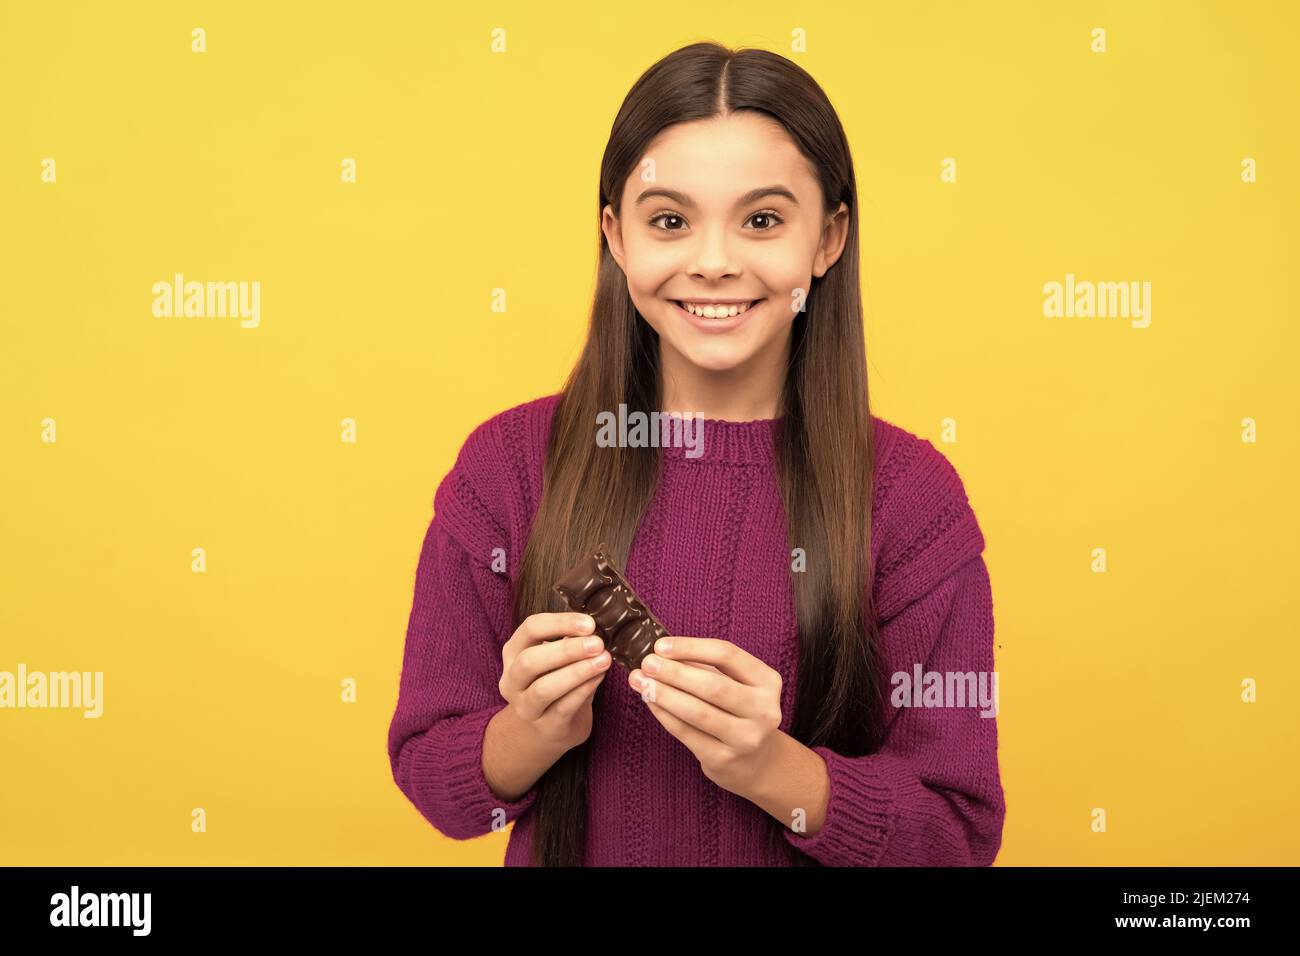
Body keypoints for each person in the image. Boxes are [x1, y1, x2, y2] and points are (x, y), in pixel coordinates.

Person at [387, 41, 1005, 866]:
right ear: (616, 235)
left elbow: (957, 837)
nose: (714, 263)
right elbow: (434, 776)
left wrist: (772, 770)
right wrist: (530, 733)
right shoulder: (508, 467)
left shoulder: (909, 499)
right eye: (670, 220)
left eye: (762, 220)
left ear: (828, 239)